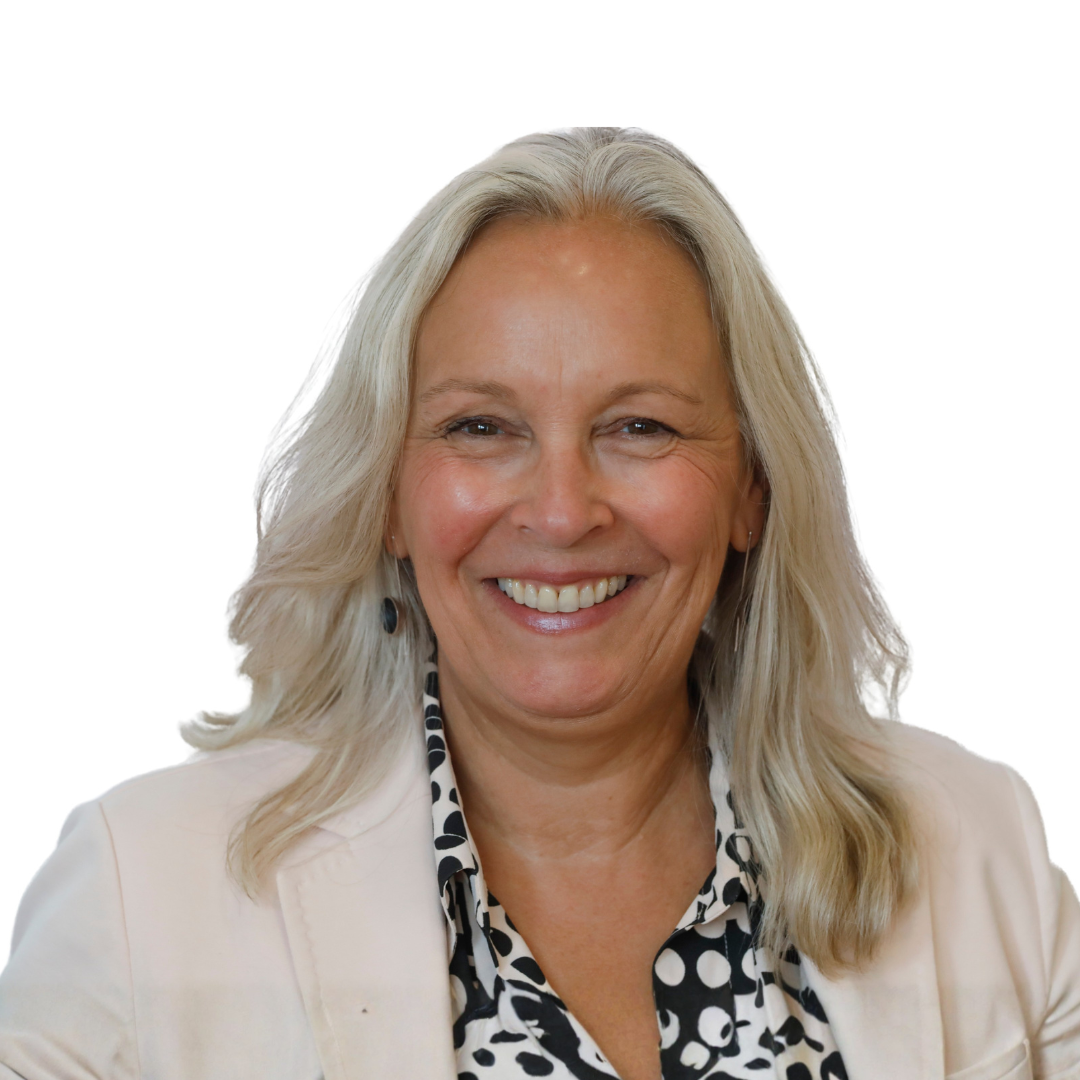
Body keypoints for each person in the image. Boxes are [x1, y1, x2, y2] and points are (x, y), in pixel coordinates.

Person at [1, 127, 1077, 1080]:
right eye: (481, 428)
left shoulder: (979, 850)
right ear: (386, 495)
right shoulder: (141, 894)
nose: (562, 513)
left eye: (641, 427)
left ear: (753, 488)